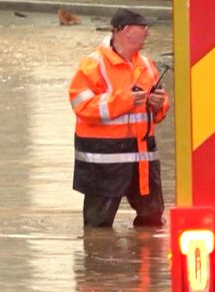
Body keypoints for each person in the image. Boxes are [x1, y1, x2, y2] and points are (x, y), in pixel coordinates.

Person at [68, 8, 170, 228]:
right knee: (97, 227)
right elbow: (81, 106)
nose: (147, 33)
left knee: (152, 221)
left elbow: (160, 107)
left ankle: (145, 261)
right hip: (105, 162)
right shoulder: (93, 65)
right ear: (126, 31)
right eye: (143, 27)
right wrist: (125, 100)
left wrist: (159, 104)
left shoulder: (146, 64)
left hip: (142, 161)